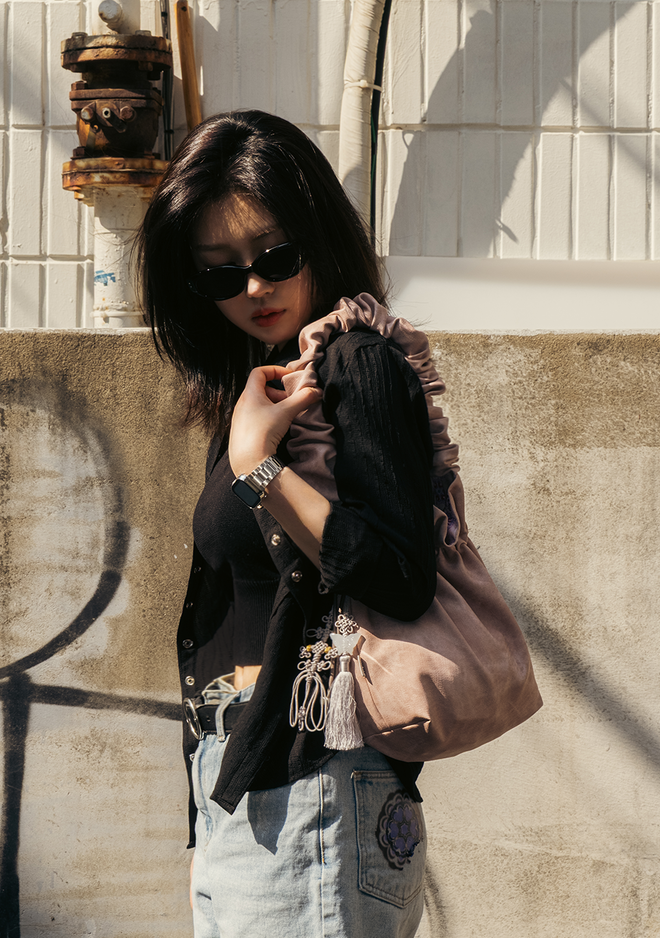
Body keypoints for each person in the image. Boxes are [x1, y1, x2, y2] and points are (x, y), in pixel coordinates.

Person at [136, 110, 437, 938]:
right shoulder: (260, 386)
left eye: (274, 257)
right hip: (249, 782)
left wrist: (257, 469)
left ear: (319, 236)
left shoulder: (355, 363)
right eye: (220, 273)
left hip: (316, 789)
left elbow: (401, 576)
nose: (253, 289)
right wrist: (207, 817)